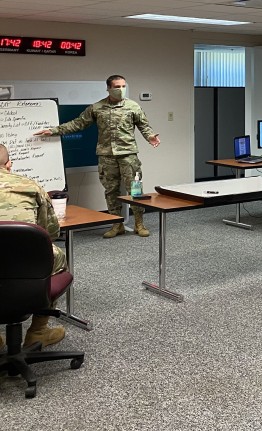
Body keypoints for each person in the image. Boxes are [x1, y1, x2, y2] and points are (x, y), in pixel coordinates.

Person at [35, 74, 160, 239]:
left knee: (135, 190)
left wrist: (150, 136)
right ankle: (117, 224)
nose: (121, 90)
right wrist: (54, 130)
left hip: (128, 155)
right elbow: (78, 123)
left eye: (123, 86)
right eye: (117, 86)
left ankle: (139, 223)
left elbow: (144, 125)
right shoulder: (97, 107)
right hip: (106, 155)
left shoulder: (133, 106)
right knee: (111, 191)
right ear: (108, 88)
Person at [0, 144, 67, 349]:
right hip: (28, 261)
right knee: (56, 256)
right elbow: (50, 232)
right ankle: (38, 331)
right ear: (9, 164)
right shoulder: (31, 186)